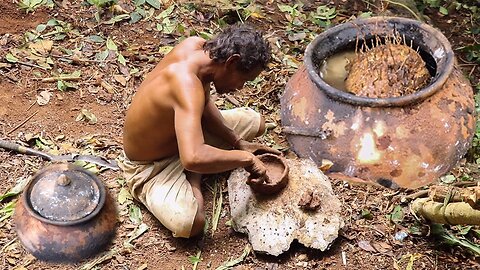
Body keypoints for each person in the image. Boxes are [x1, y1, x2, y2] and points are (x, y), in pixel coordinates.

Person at [121, 24, 280, 238]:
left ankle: (201, 158)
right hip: (150, 166)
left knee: (254, 122)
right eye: (244, 79)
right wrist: (246, 159)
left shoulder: (197, 48)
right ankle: (194, 177)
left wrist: (237, 141)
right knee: (191, 223)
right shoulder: (185, 84)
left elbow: (202, 103)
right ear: (232, 62)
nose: (241, 87)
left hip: (183, 138)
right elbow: (192, 157)